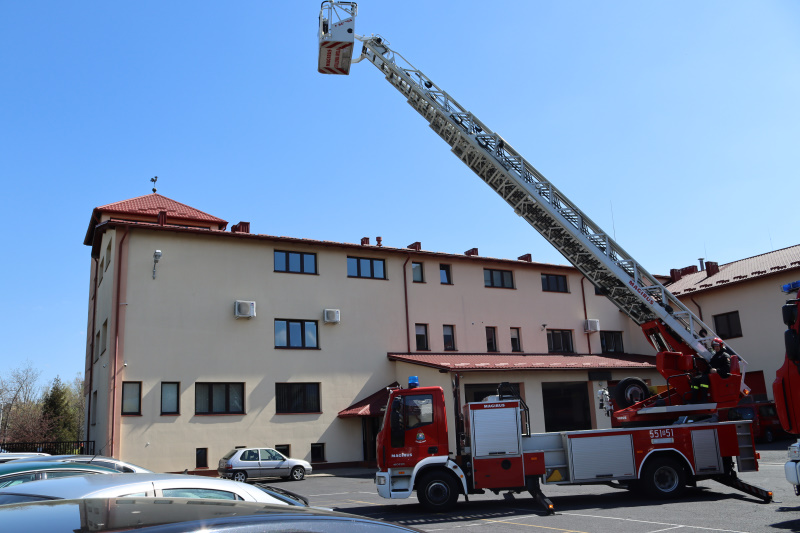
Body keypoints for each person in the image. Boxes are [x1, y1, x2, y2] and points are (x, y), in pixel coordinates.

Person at [690, 338, 732, 403]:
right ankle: (694, 399)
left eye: (717, 346)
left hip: (720, 376)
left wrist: (717, 370)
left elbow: (726, 369)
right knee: (695, 379)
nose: (716, 348)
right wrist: (702, 373)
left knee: (704, 378)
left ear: (721, 346)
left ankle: (704, 399)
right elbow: (710, 368)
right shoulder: (714, 356)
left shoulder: (725, 356)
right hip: (713, 376)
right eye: (714, 346)